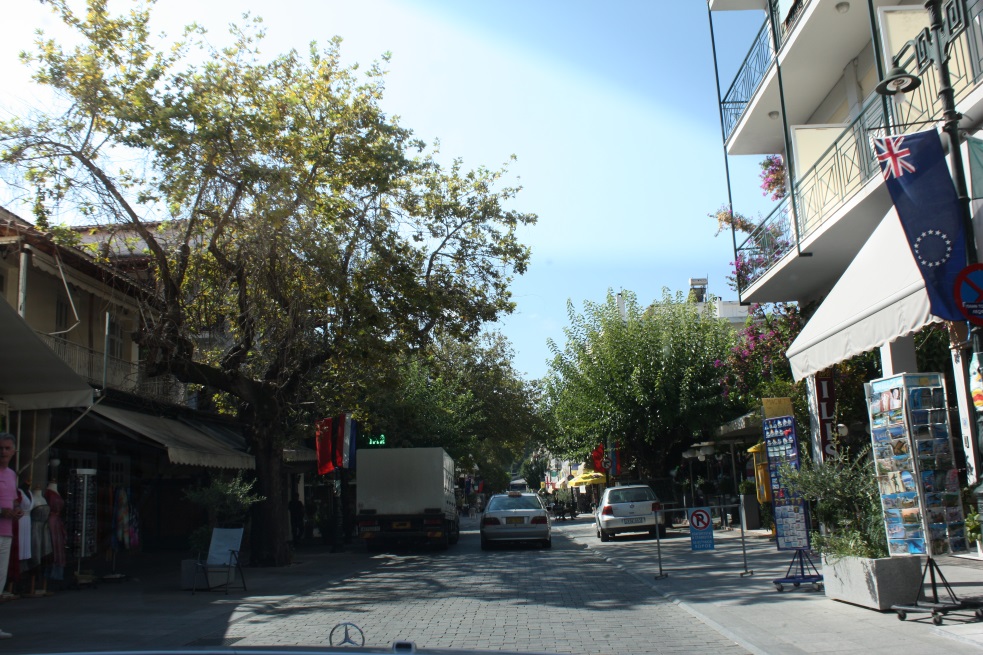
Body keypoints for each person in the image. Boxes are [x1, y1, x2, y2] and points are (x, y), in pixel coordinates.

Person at [0, 434, 23, 639]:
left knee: (0, 580)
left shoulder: (11, 474)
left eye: (8, 448)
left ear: (14, 452)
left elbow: (14, 500)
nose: (3, 452)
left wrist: (16, 510)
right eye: (1, 448)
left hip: (6, 532)